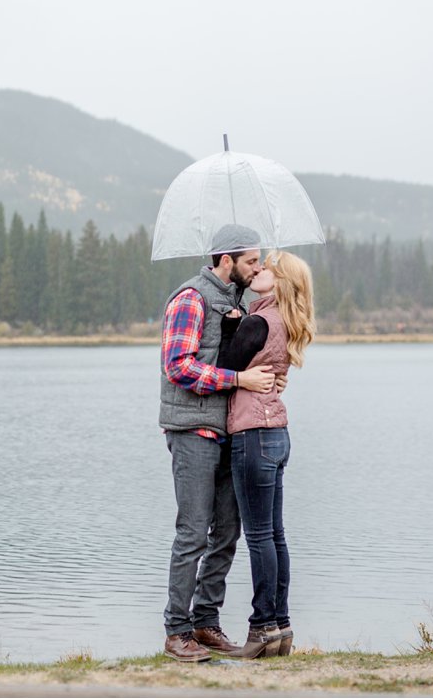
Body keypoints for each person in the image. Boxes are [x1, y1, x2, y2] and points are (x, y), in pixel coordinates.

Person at [159, 223, 279, 663]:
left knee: (227, 530)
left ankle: (206, 622)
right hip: (192, 429)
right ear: (226, 260)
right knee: (192, 532)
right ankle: (177, 631)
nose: (258, 267)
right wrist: (238, 379)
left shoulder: (234, 300)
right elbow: (178, 367)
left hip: (229, 429)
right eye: (251, 261)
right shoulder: (190, 298)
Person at [217, 250, 316, 659]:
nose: (258, 271)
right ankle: (282, 626)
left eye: (267, 268)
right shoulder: (284, 321)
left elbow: (224, 368)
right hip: (277, 433)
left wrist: (228, 330)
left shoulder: (258, 322)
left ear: (279, 282)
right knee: (275, 534)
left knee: (259, 536)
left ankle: (261, 629)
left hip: (253, 434)